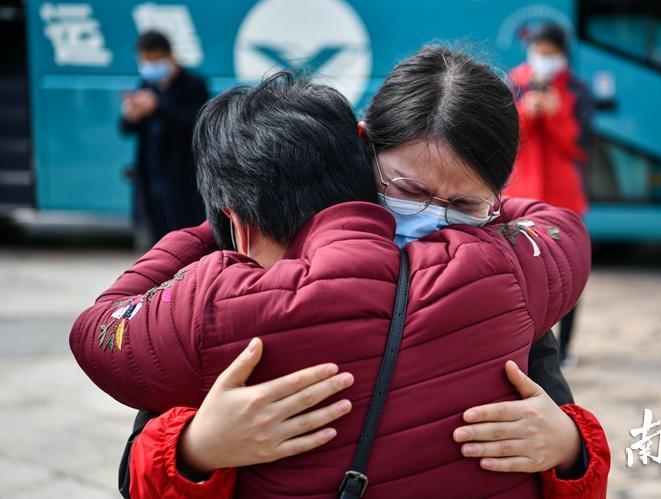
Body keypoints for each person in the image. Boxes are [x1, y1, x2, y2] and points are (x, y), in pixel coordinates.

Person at [71, 48, 607, 498]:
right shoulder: (252, 271)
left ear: (495, 200)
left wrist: (567, 446)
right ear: (362, 146)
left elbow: (558, 424)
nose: (431, 222)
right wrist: (195, 447)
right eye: (408, 190)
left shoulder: (501, 280)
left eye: (464, 205)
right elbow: (134, 474)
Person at [504, 24, 594, 366]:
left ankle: (566, 348)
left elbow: (582, 145)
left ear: (562, 53)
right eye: (538, 51)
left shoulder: (576, 89)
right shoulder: (512, 82)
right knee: (521, 274)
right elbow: (506, 140)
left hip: (564, 199)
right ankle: (520, 344)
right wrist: (526, 112)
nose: (544, 59)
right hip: (520, 196)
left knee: (569, 274)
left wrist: (557, 116)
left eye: (550, 52)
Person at [120, 30, 208, 245]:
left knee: (188, 241)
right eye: (145, 61)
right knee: (157, 243)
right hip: (152, 180)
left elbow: (198, 124)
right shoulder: (145, 85)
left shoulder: (194, 85)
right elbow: (125, 129)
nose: (150, 66)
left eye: (155, 60)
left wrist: (158, 107)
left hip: (184, 179)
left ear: (169, 56)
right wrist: (131, 115)